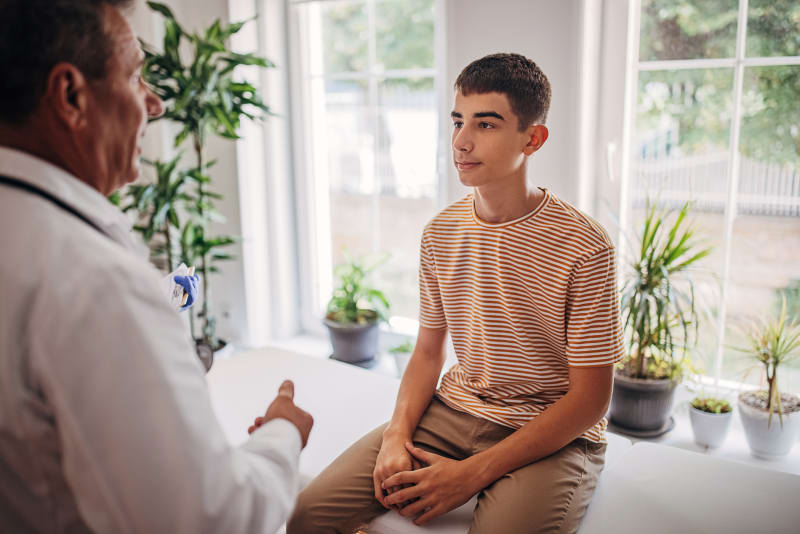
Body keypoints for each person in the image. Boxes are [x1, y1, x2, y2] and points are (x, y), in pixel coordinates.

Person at [0, 1, 312, 532]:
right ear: (71, 96)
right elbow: (210, 518)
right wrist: (282, 435)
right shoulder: (93, 280)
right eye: (137, 75)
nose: (157, 104)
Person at [288, 53, 624, 534]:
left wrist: (471, 475)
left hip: (553, 433)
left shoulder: (584, 245)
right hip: (456, 409)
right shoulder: (441, 232)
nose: (461, 142)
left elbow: (591, 400)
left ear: (533, 138)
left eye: (486, 124)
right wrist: (395, 437)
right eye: (457, 121)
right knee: (307, 515)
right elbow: (428, 352)